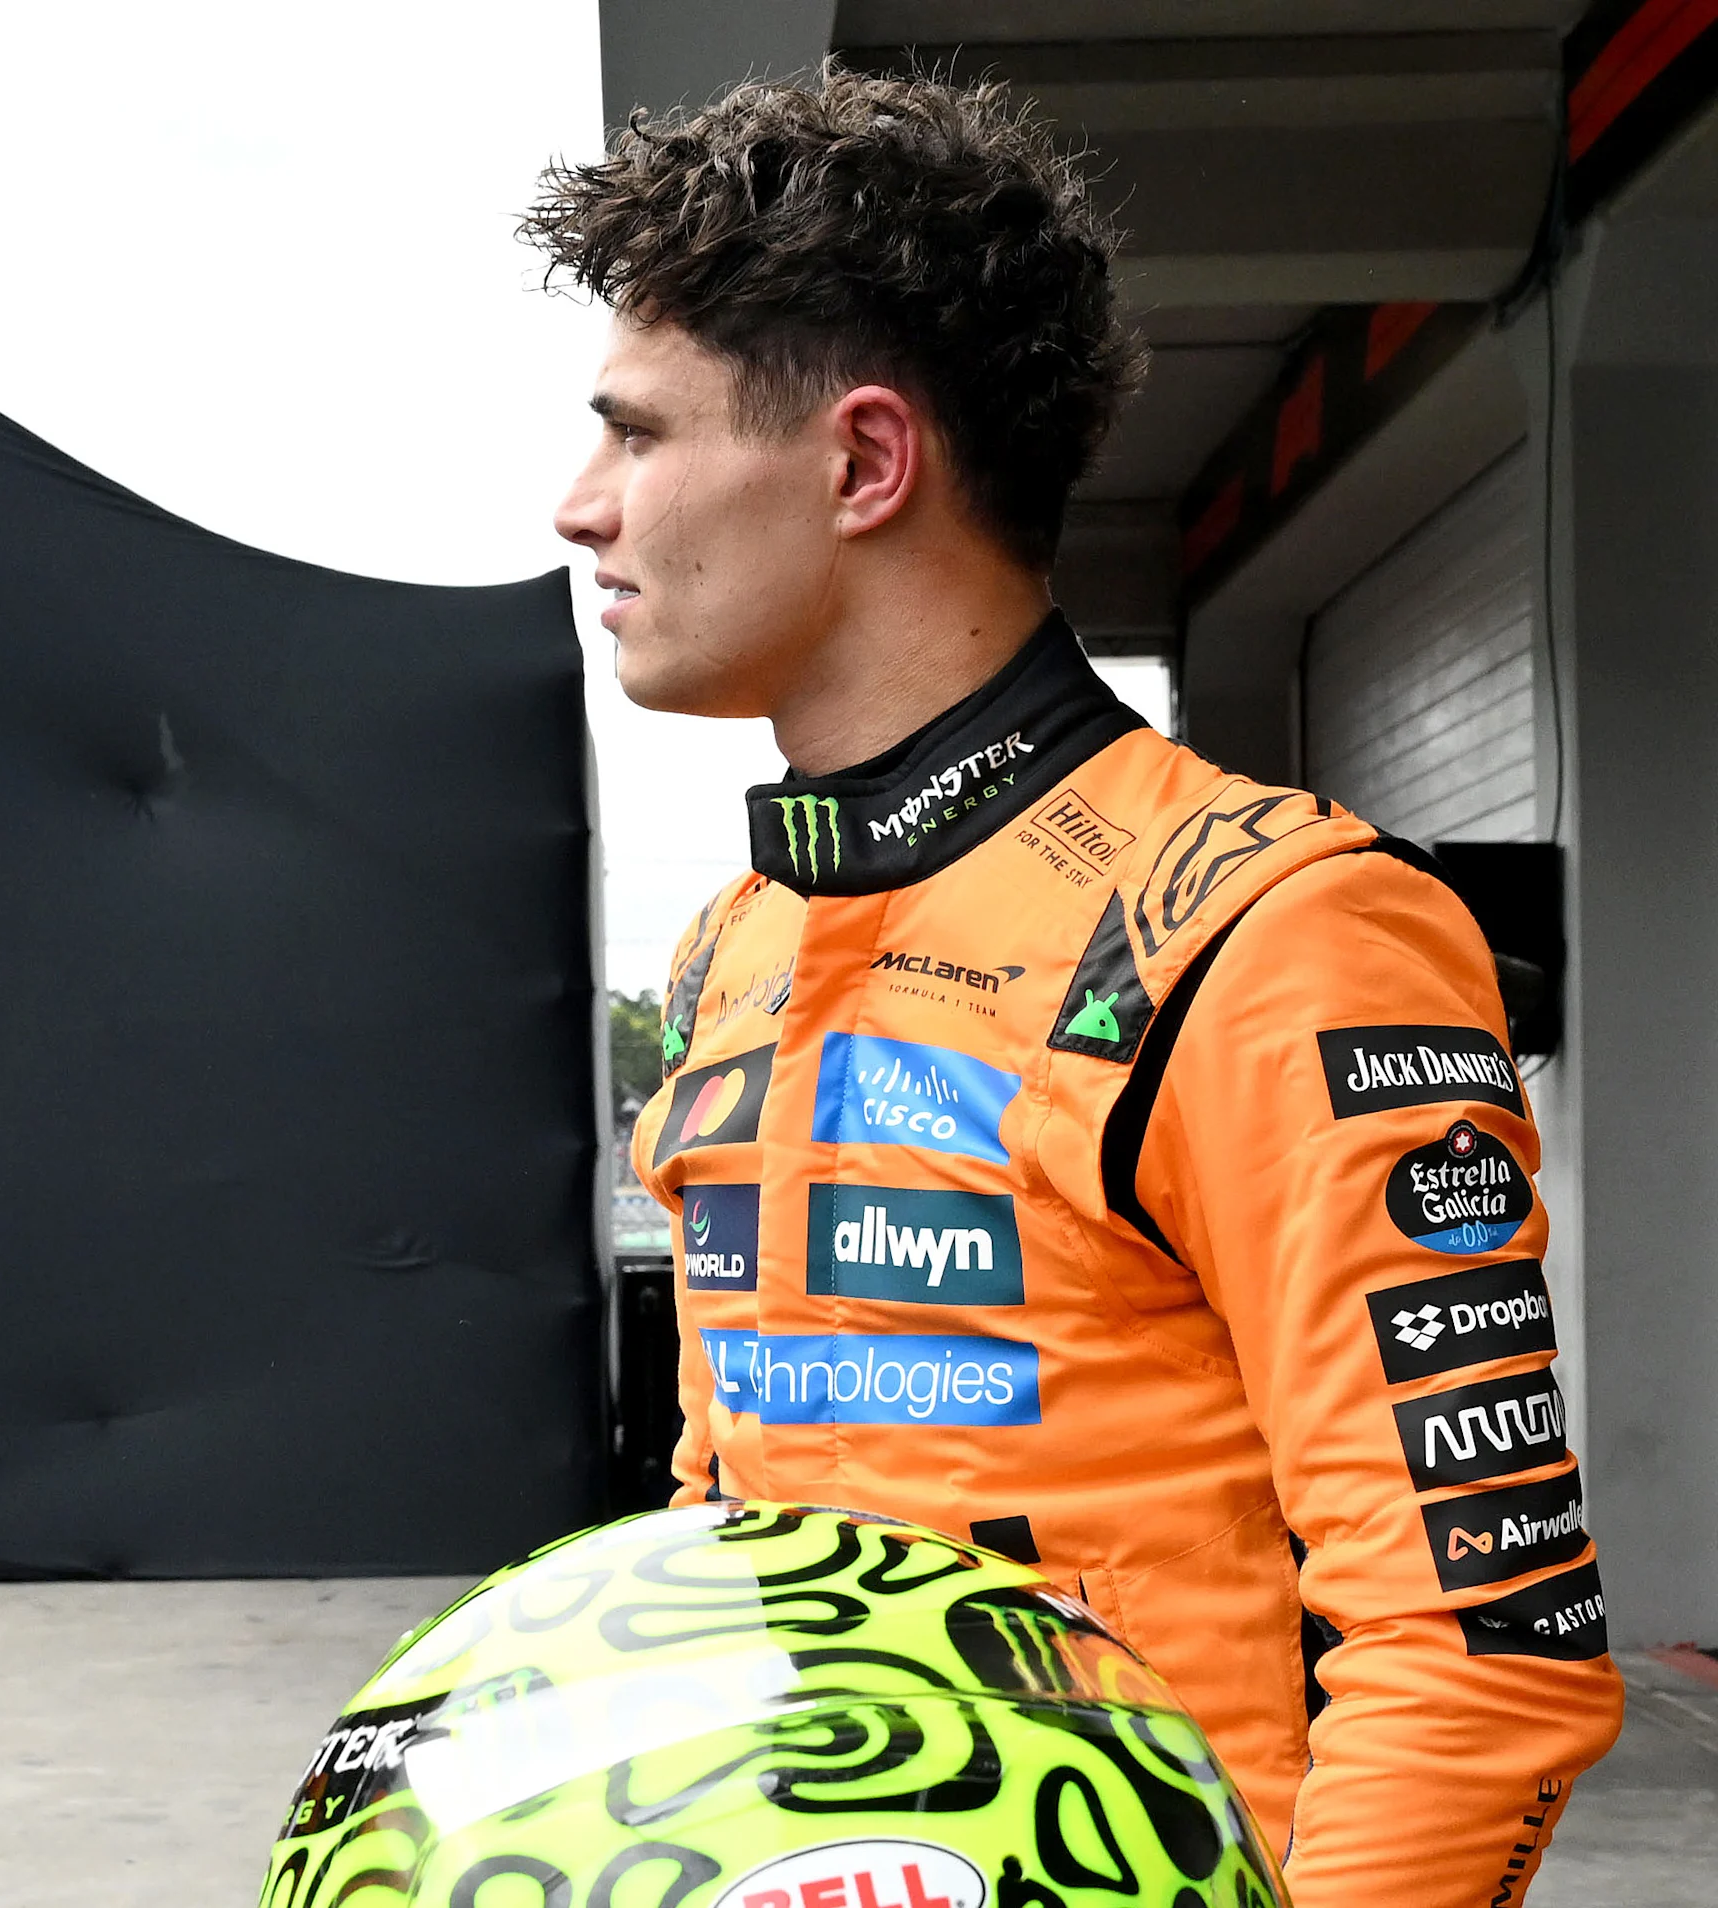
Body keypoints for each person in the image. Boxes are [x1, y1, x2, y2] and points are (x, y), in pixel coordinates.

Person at [537, 68, 1624, 1906]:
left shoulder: (1271, 925)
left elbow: (1477, 1656)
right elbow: (724, 1529)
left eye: (634, 436)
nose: (580, 508)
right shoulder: (738, 940)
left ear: (864, 464)